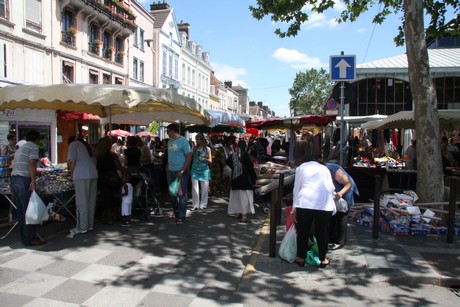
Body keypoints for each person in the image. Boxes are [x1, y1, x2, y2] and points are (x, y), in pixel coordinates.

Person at [291, 154, 336, 268]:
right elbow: (331, 187)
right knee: (323, 232)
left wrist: (293, 210)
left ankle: (301, 257)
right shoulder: (324, 168)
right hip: (324, 203)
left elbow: (297, 189)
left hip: (305, 201)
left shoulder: (300, 168)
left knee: (303, 230)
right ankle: (323, 259)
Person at [10, 130, 45, 246]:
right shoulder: (33, 146)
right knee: (29, 211)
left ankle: (25, 238)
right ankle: (30, 238)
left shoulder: (21, 147)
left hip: (14, 180)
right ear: (37, 139)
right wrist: (33, 180)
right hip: (23, 181)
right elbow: (32, 163)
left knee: (21, 212)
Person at [67, 136, 98, 236]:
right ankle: (89, 224)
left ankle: (82, 226)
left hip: (81, 175)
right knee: (90, 201)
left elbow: (72, 161)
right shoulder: (85, 146)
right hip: (93, 174)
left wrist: (71, 173)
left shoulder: (73, 144)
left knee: (82, 202)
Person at [325, 162, 359, 250]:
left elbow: (348, 184)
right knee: (332, 214)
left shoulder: (333, 170)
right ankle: (330, 238)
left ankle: (339, 242)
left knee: (342, 215)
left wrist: (340, 193)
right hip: (335, 193)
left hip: (345, 191)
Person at [96, 137, 127, 225]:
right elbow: (119, 167)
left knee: (106, 197)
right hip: (113, 178)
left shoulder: (98, 156)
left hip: (102, 178)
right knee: (115, 196)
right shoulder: (112, 155)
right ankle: (116, 214)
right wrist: (127, 171)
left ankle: (109, 217)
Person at [166, 123, 192, 225]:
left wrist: (182, 171)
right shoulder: (170, 141)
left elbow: (189, 156)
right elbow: (170, 154)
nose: (167, 133)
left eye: (168, 131)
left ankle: (181, 216)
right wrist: (167, 165)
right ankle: (176, 213)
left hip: (180, 172)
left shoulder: (183, 141)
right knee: (172, 194)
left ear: (173, 131)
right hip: (171, 171)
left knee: (181, 195)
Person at [226, 140, 258, 223]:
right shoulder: (245, 154)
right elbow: (250, 167)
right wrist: (254, 178)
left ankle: (237, 213)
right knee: (245, 198)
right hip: (244, 180)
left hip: (235, 179)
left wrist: (235, 168)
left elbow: (227, 161)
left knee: (236, 197)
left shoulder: (234, 154)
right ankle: (244, 216)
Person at [190, 133, 212, 211]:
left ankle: (203, 204)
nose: (196, 141)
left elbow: (210, 161)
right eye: (196, 139)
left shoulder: (208, 149)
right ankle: (195, 205)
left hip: (204, 170)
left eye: (197, 139)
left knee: (205, 188)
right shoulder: (194, 149)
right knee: (194, 188)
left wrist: (205, 159)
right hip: (194, 170)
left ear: (201, 140)